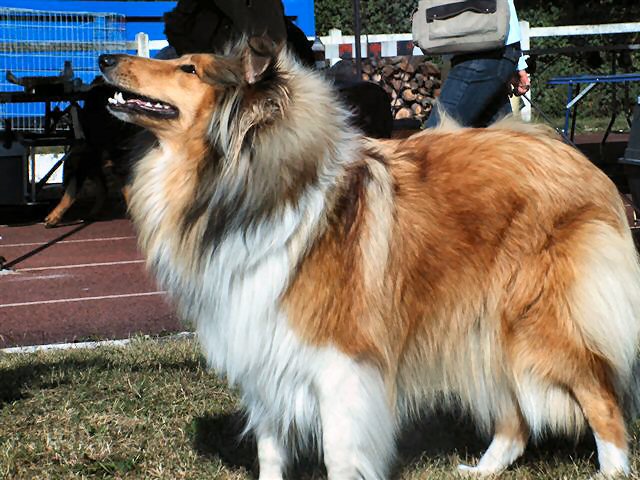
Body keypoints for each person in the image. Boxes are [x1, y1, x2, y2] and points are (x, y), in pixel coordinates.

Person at [425, 0, 530, 128]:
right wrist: (516, 63)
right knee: (500, 142)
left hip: (479, 54)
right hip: (496, 50)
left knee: (434, 138)